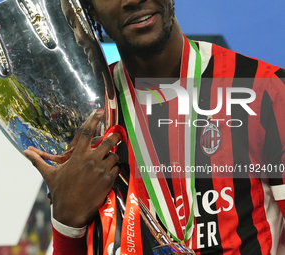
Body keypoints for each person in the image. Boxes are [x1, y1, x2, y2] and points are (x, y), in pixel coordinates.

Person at [24, 0, 285, 254]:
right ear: (87, 9)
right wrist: (66, 223)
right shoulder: (87, 120)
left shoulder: (264, 90)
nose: (133, 0)